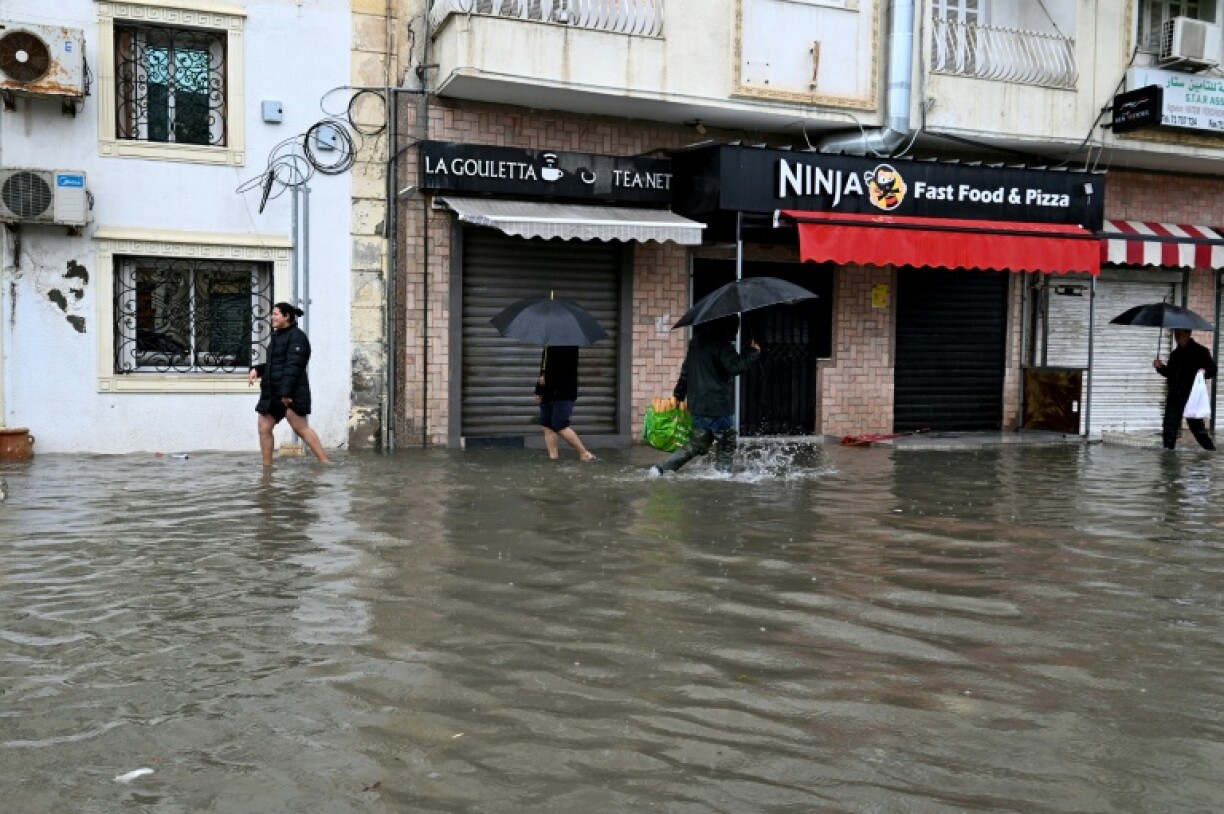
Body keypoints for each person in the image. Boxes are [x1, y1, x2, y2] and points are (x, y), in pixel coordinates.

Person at [650, 315, 760, 474]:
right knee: (726, 443)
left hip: (697, 406)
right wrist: (751, 352)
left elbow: (686, 371)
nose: (735, 332)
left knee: (697, 443)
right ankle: (723, 477)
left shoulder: (696, 342)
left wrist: (678, 395)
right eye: (735, 327)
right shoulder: (722, 344)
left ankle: (660, 469)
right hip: (718, 406)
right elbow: (735, 367)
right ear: (728, 327)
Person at [248, 302, 330, 466]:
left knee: (301, 429)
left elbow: (294, 367)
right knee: (264, 427)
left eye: (276, 314)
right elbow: (275, 366)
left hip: (290, 394)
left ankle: (325, 462)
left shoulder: (298, 337)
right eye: (272, 314)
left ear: (287, 316)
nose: (272, 317)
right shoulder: (277, 337)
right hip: (272, 393)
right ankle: (267, 468)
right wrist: (257, 369)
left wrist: (286, 393)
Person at [1153, 327, 1217, 451]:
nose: (1177, 336)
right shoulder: (1175, 354)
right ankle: (1168, 457)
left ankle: (1210, 451)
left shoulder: (1200, 351)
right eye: (1175, 334)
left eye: (1179, 334)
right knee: (1169, 427)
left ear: (1188, 333)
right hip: (1174, 397)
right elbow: (1170, 373)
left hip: (1191, 397)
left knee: (1197, 429)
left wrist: (1205, 371)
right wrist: (1160, 367)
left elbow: (1213, 369)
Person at [535, 345, 596, 461]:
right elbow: (544, 367)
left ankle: (584, 453)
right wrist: (538, 389)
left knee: (560, 424)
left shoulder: (570, 345)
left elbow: (564, 368)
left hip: (563, 391)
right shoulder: (548, 345)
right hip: (547, 390)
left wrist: (547, 376)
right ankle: (553, 458)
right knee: (546, 424)